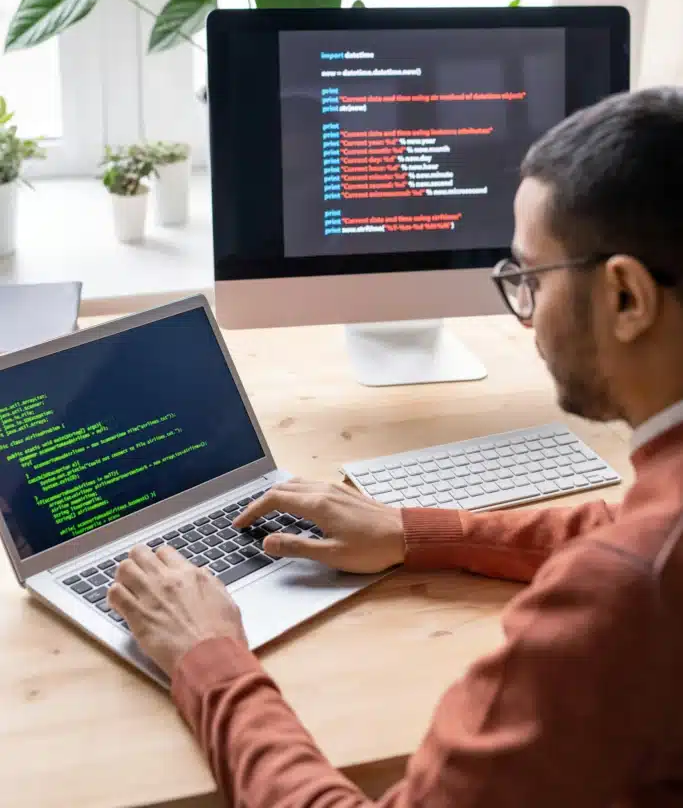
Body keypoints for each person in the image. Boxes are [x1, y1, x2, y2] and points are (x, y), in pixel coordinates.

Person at [108, 86, 683, 807]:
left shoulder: (616, 597)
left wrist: (207, 658)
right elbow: (632, 529)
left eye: (529, 278)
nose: (522, 318)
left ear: (626, 298)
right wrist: (416, 532)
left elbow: (632, 560)